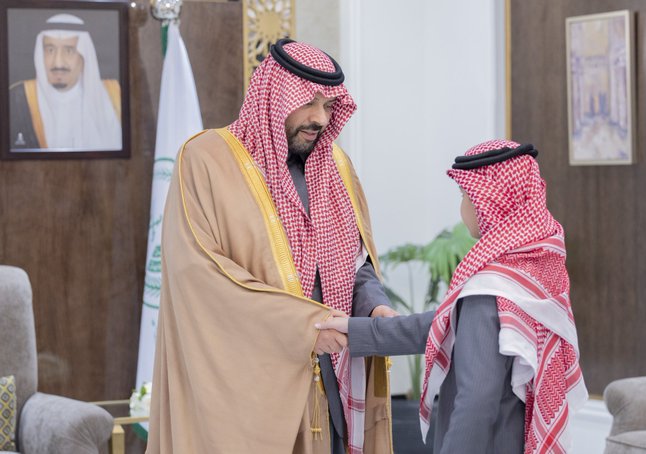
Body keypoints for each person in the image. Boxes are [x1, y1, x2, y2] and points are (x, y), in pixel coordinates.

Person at [147, 39, 397, 453]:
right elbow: (201, 277)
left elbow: (353, 263)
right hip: (249, 391)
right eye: (308, 102)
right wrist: (303, 326)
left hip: (332, 378)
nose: (320, 118)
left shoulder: (336, 167)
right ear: (274, 96)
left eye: (329, 105)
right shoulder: (206, 161)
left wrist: (374, 306)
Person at [317, 140, 588, 453]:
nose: (462, 207)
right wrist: (355, 330)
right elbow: (447, 323)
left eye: (464, 195)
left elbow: (476, 401)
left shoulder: (490, 289)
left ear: (486, 201)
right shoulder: (533, 268)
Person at [8, 13, 121, 150]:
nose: (58, 62)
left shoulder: (114, 96)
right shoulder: (17, 98)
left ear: (84, 55)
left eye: (69, 50)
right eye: (50, 50)